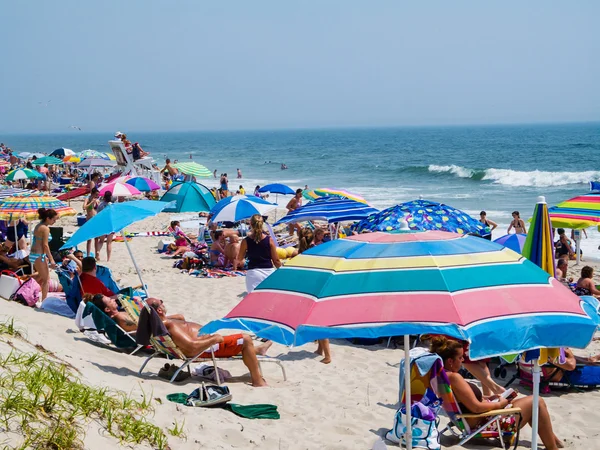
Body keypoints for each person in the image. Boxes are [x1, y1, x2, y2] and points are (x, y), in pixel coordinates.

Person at [430, 336, 563, 450]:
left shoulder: (441, 376)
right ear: (450, 361)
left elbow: (465, 400)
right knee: (537, 402)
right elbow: (476, 407)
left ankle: (552, 440)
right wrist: (499, 404)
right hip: (485, 424)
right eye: (460, 358)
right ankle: (552, 446)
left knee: (530, 404)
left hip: (478, 420)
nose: (463, 360)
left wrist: (489, 397)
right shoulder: (454, 378)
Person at [146, 298, 271, 387]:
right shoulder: (170, 325)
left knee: (240, 343)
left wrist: (165, 317)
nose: (163, 303)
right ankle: (257, 380)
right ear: (159, 311)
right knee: (246, 339)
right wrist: (214, 339)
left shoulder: (162, 323)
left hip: (206, 343)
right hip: (205, 348)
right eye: (161, 302)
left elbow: (180, 317)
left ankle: (257, 350)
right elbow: (192, 346)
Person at [297, 227, 332, 364]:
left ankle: (328, 356)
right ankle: (320, 350)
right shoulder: (318, 250)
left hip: (308, 289)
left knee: (317, 322)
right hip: (319, 287)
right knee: (318, 320)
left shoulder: (300, 252)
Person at [236, 214, 281, 293]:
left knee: (254, 301)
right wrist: (281, 271)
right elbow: (276, 260)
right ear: (262, 224)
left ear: (250, 224)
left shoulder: (245, 241)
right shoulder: (269, 239)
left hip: (253, 273)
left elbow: (239, 259)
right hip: (268, 272)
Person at [30, 208, 59, 300]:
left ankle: (26, 289)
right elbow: (45, 245)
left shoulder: (38, 226)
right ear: (48, 218)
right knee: (46, 280)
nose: (54, 222)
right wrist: (51, 259)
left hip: (33, 254)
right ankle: (44, 301)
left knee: (41, 276)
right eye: (54, 219)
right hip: (39, 255)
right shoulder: (45, 229)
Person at [95, 191, 115, 261]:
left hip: (102, 224)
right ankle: (108, 259)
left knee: (101, 241)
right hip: (110, 224)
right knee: (109, 243)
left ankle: (98, 252)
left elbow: (98, 215)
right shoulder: (112, 205)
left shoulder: (101, 205)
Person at [83, 188, 100, 256]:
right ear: (92, 193)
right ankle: (88, 255)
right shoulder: (88, 198)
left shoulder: (97, 200)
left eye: (98, 195)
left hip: (96, 220)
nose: (97, 196)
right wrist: (91, 203)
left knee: (96, 238)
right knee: (89, 239)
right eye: (96, 195)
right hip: (89, 220)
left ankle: (97, 254)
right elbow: (84, 207)